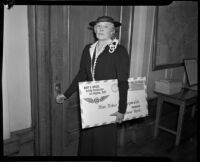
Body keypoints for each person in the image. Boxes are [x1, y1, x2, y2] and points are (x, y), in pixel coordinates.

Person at [56, 16, 129, 156]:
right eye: (98, 26)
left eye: (106, 26)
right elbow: (81, 75)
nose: (101, 29)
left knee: (104, 142)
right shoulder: (88, 49)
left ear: (113, 31)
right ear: (94, 30)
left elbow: (123, 82)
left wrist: (121, 110)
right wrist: (65, 94)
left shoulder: (120, 51)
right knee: (88, 140)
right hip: (90, 104)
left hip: (109, 105)